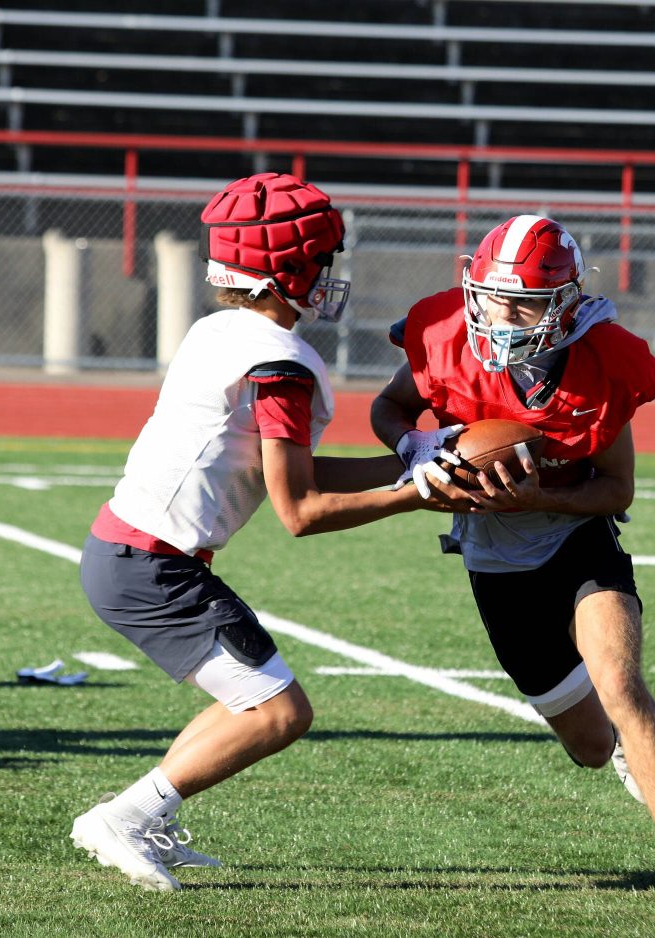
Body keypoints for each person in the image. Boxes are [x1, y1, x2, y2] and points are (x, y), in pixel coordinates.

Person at [70, 172, 479, 892]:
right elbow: (300, 510)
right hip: (152, 564)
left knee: (251, 698)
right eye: (322, 261)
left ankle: (140, 818)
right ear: (287, 269)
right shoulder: (276, 363)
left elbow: (280, 464)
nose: (330, 275)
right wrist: (416, 495)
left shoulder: (220, 331)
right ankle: (125, 818)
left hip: (134, 552)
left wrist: (405, 457)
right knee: (279, 712)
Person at [370, 214, 655, 909]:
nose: (503, 314)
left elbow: (616, 489)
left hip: (574, 541)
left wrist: (535, 495)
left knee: (620, 683)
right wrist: (416, 449)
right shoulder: (443, 336)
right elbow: (389, 407)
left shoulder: (605, 363)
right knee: (592, 746)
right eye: (494, 295)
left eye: (525, 300)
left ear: (565, 302)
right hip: (494, 562)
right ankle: (626, 755)